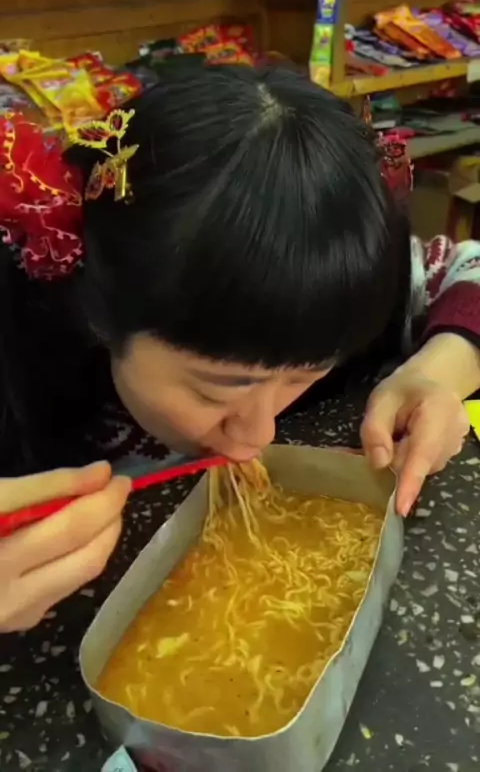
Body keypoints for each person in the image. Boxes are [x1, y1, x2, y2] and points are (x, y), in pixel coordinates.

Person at [0, 64, 478, 634]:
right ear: (98, 314)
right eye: (216, 390)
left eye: (305, 377)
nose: (259, 434)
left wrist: (439, 371)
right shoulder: (29, 328)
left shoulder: (329, 285)